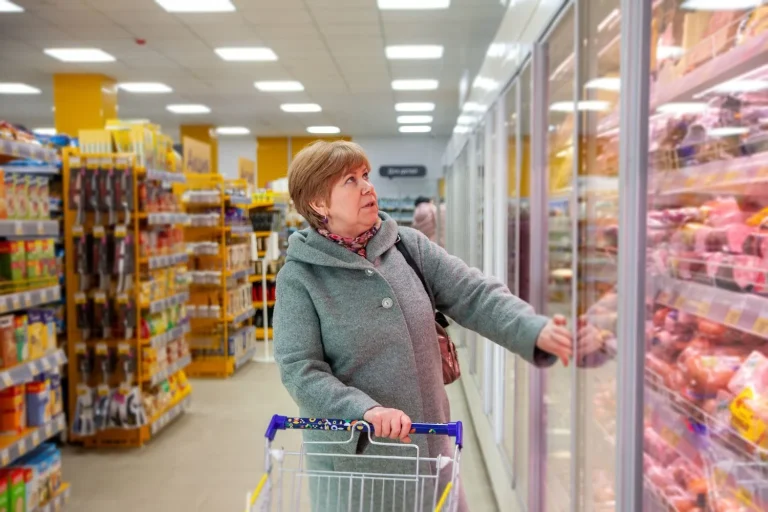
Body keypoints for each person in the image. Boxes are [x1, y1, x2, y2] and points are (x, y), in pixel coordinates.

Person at [274, 140, 580, 511]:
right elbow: (301, 370)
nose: (368, 187)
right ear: (318, 204)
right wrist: (363, 411)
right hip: (357, 469)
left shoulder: (408, 246)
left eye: (365, 175)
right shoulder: (300, 276)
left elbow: (474, 294)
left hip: (431, 451)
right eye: (350, 181)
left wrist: (533, 329)